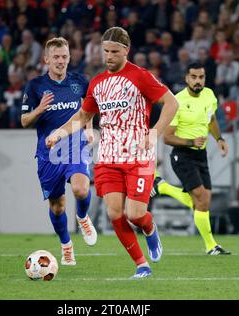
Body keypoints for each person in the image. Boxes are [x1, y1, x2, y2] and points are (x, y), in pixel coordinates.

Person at [46, 27, 178, 279]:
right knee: (115, 214)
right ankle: (141, 265)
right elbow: (84, 115)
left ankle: (150, 229)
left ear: (126, 51)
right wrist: (59, 133)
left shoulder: (140, 76)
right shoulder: (97, 83)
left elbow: (172, 103)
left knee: (135, 214)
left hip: (138, 156)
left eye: (114, 52)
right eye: (105, 51)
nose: (108, 56)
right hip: (107, 157)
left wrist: (155, 131)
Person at [20, 37, 97, 266]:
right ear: (46, 59)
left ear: (70, 58)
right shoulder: (35, 86)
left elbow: (88, 109)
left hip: (75, 145)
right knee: (57, 206)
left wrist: (90, 130)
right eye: (56, 57)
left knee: (81, 189)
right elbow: (24, 120)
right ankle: (66, 245)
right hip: (49, 152)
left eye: (64, 56)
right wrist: (39, 110)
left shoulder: (80, 82)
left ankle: (82, 217)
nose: (60, 61)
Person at [163, 62, 231, 255]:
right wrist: (192, 141)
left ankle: (162, 186)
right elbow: (167, 137)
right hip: (182, 154)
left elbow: (212, 119)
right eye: (193, 77)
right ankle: (211, 246)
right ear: (187, 79)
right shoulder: (177, 101)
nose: (198, 81)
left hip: (201, 155)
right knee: (201, 198)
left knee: (203, 202)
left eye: (201, 77)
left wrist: (219, 139)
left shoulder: (209, 95)